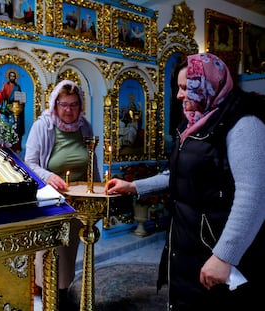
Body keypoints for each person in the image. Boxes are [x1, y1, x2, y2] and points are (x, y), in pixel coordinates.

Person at [105, 53, 265, 310]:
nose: (179, 95)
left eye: (184, 88)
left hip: (214, 245)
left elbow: (254, 196)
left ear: (208, 84)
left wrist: (224, 255)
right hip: (187, 240)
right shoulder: (195, 122)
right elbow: (179, 174)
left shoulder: (244, 124)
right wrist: (134, 186)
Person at [25, 79, 100, 309]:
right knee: (50, 255)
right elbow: (29, 163)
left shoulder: (84, 126)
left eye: (74, 105)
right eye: (64, 104)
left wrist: (97, 191)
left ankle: (63, 298)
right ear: (55, 104)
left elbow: (92, 160)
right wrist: (48, 176)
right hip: (51, 201)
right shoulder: (43, 126)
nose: (69, 110)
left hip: (79, 202)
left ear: (81, 106)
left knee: (68, 255)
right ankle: (50, 299)